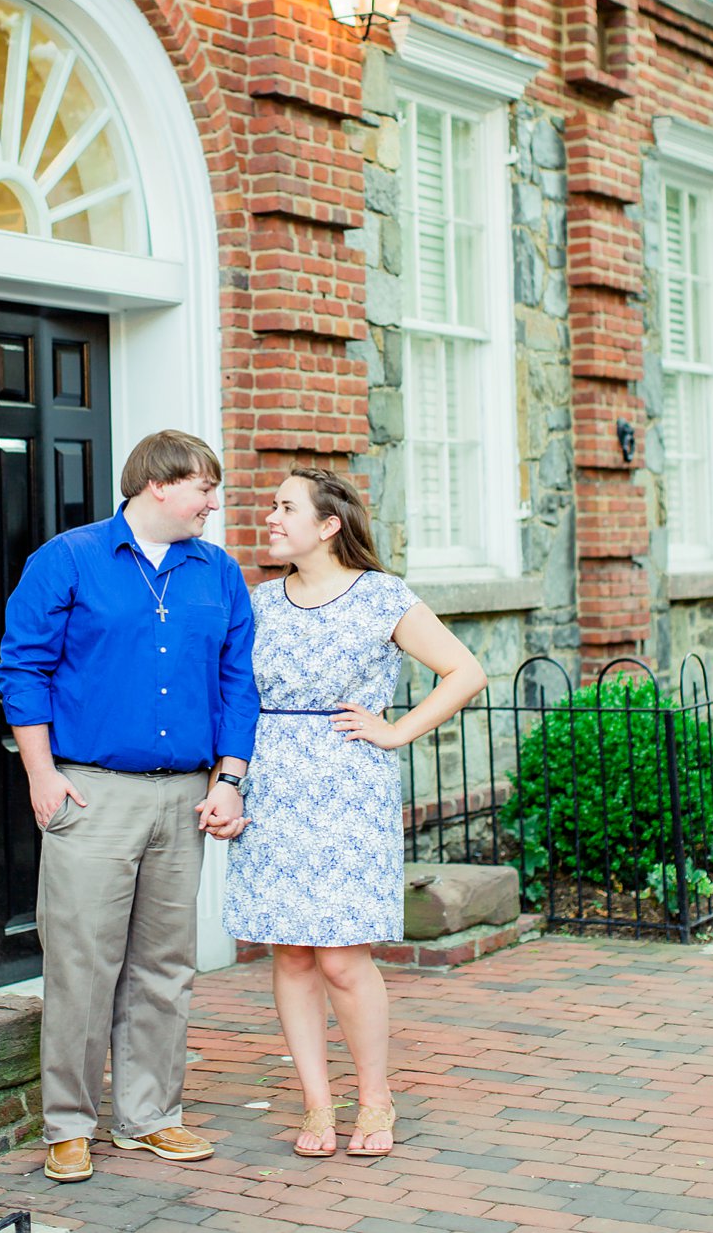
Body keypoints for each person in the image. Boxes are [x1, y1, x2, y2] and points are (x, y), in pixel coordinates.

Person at [0, 429, 259, 1185]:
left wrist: (229, 777)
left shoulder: (219, 573)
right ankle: (69, 1124)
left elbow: (239, 681)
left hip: (186, 793)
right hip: (91, 790)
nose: (214, 501)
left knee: (164, 964)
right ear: (157, 486)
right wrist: (40, 774)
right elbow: (23, 668)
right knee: (82, 962)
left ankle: (149, 1117)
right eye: (205, 487)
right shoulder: (69, 559)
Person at [223, 468, 484, 1159]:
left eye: (286, 507)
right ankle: (315, 1101)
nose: (271, 517)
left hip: (346, 783)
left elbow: (464, 670)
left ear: (328, 524)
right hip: (272, 784)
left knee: (342, 957)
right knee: (292, 952)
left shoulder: (382, 596)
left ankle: (374, 1096)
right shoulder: (260, 601)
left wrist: (397, 730)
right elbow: (236, 696)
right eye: (274, 506)